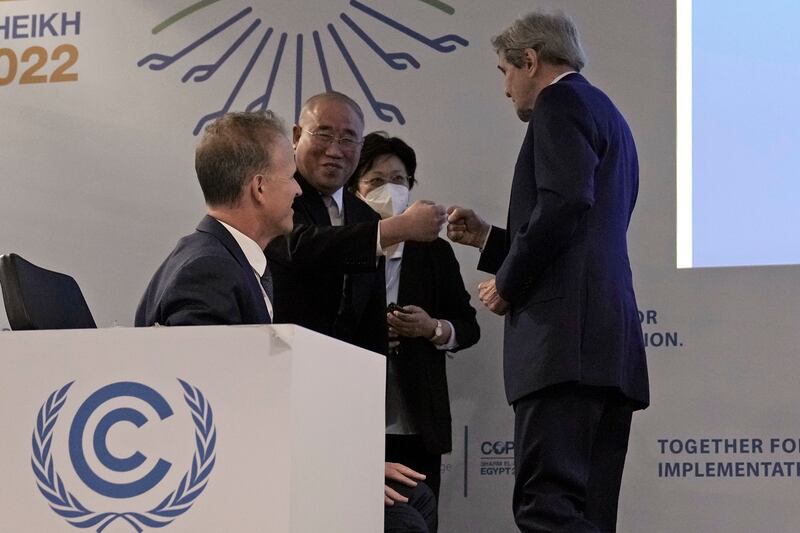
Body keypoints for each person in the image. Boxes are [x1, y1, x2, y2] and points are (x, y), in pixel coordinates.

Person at [447, 11, 649, 532]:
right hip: (605, 348)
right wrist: (491, 241)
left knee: (548, 508)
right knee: (588, 516)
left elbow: (562, 205)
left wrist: (509, 283)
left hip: (563, 349)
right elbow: (581, 230)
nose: (505, 88)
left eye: (504, 72)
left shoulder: (559, 102)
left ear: (530, 60)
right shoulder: (608, 114)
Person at [348, 132, 480, 504]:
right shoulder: (340, 246)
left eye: (399, 180)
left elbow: (467, 326)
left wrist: (433, 328)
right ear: (355, 190)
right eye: (375, 181)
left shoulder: (433, 252)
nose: (389, 190)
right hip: (351, 418)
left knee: (418, 516)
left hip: (418, 420)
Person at [265, 92, 447, 355]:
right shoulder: (276, 193)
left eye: (348, 138)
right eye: (323, 134)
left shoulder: (365, 216)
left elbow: (370, 317)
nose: (335, 150)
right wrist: (400, 227)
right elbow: (299, 246)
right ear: (296, 136)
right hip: (282, 359)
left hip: (351, 373)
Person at [135, 110, 299, 327]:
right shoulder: (209, 270)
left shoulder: (213, 260)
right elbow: (199, 360)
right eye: (291, 177)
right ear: (259, 187)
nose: (298, 190)